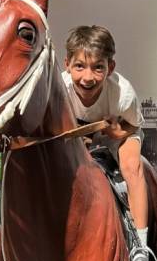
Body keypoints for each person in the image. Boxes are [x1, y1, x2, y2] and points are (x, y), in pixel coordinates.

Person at [62, 25, 149, 248]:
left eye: (97, 67)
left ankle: (141, 245)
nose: (87, 77)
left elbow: (132, 126)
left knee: (132, 166)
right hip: (76, 135)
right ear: (67, 65)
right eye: (79, 66)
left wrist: (116, 132)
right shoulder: (59, 90)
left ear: (110, 68)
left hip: (116, 132)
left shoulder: (123, 94)